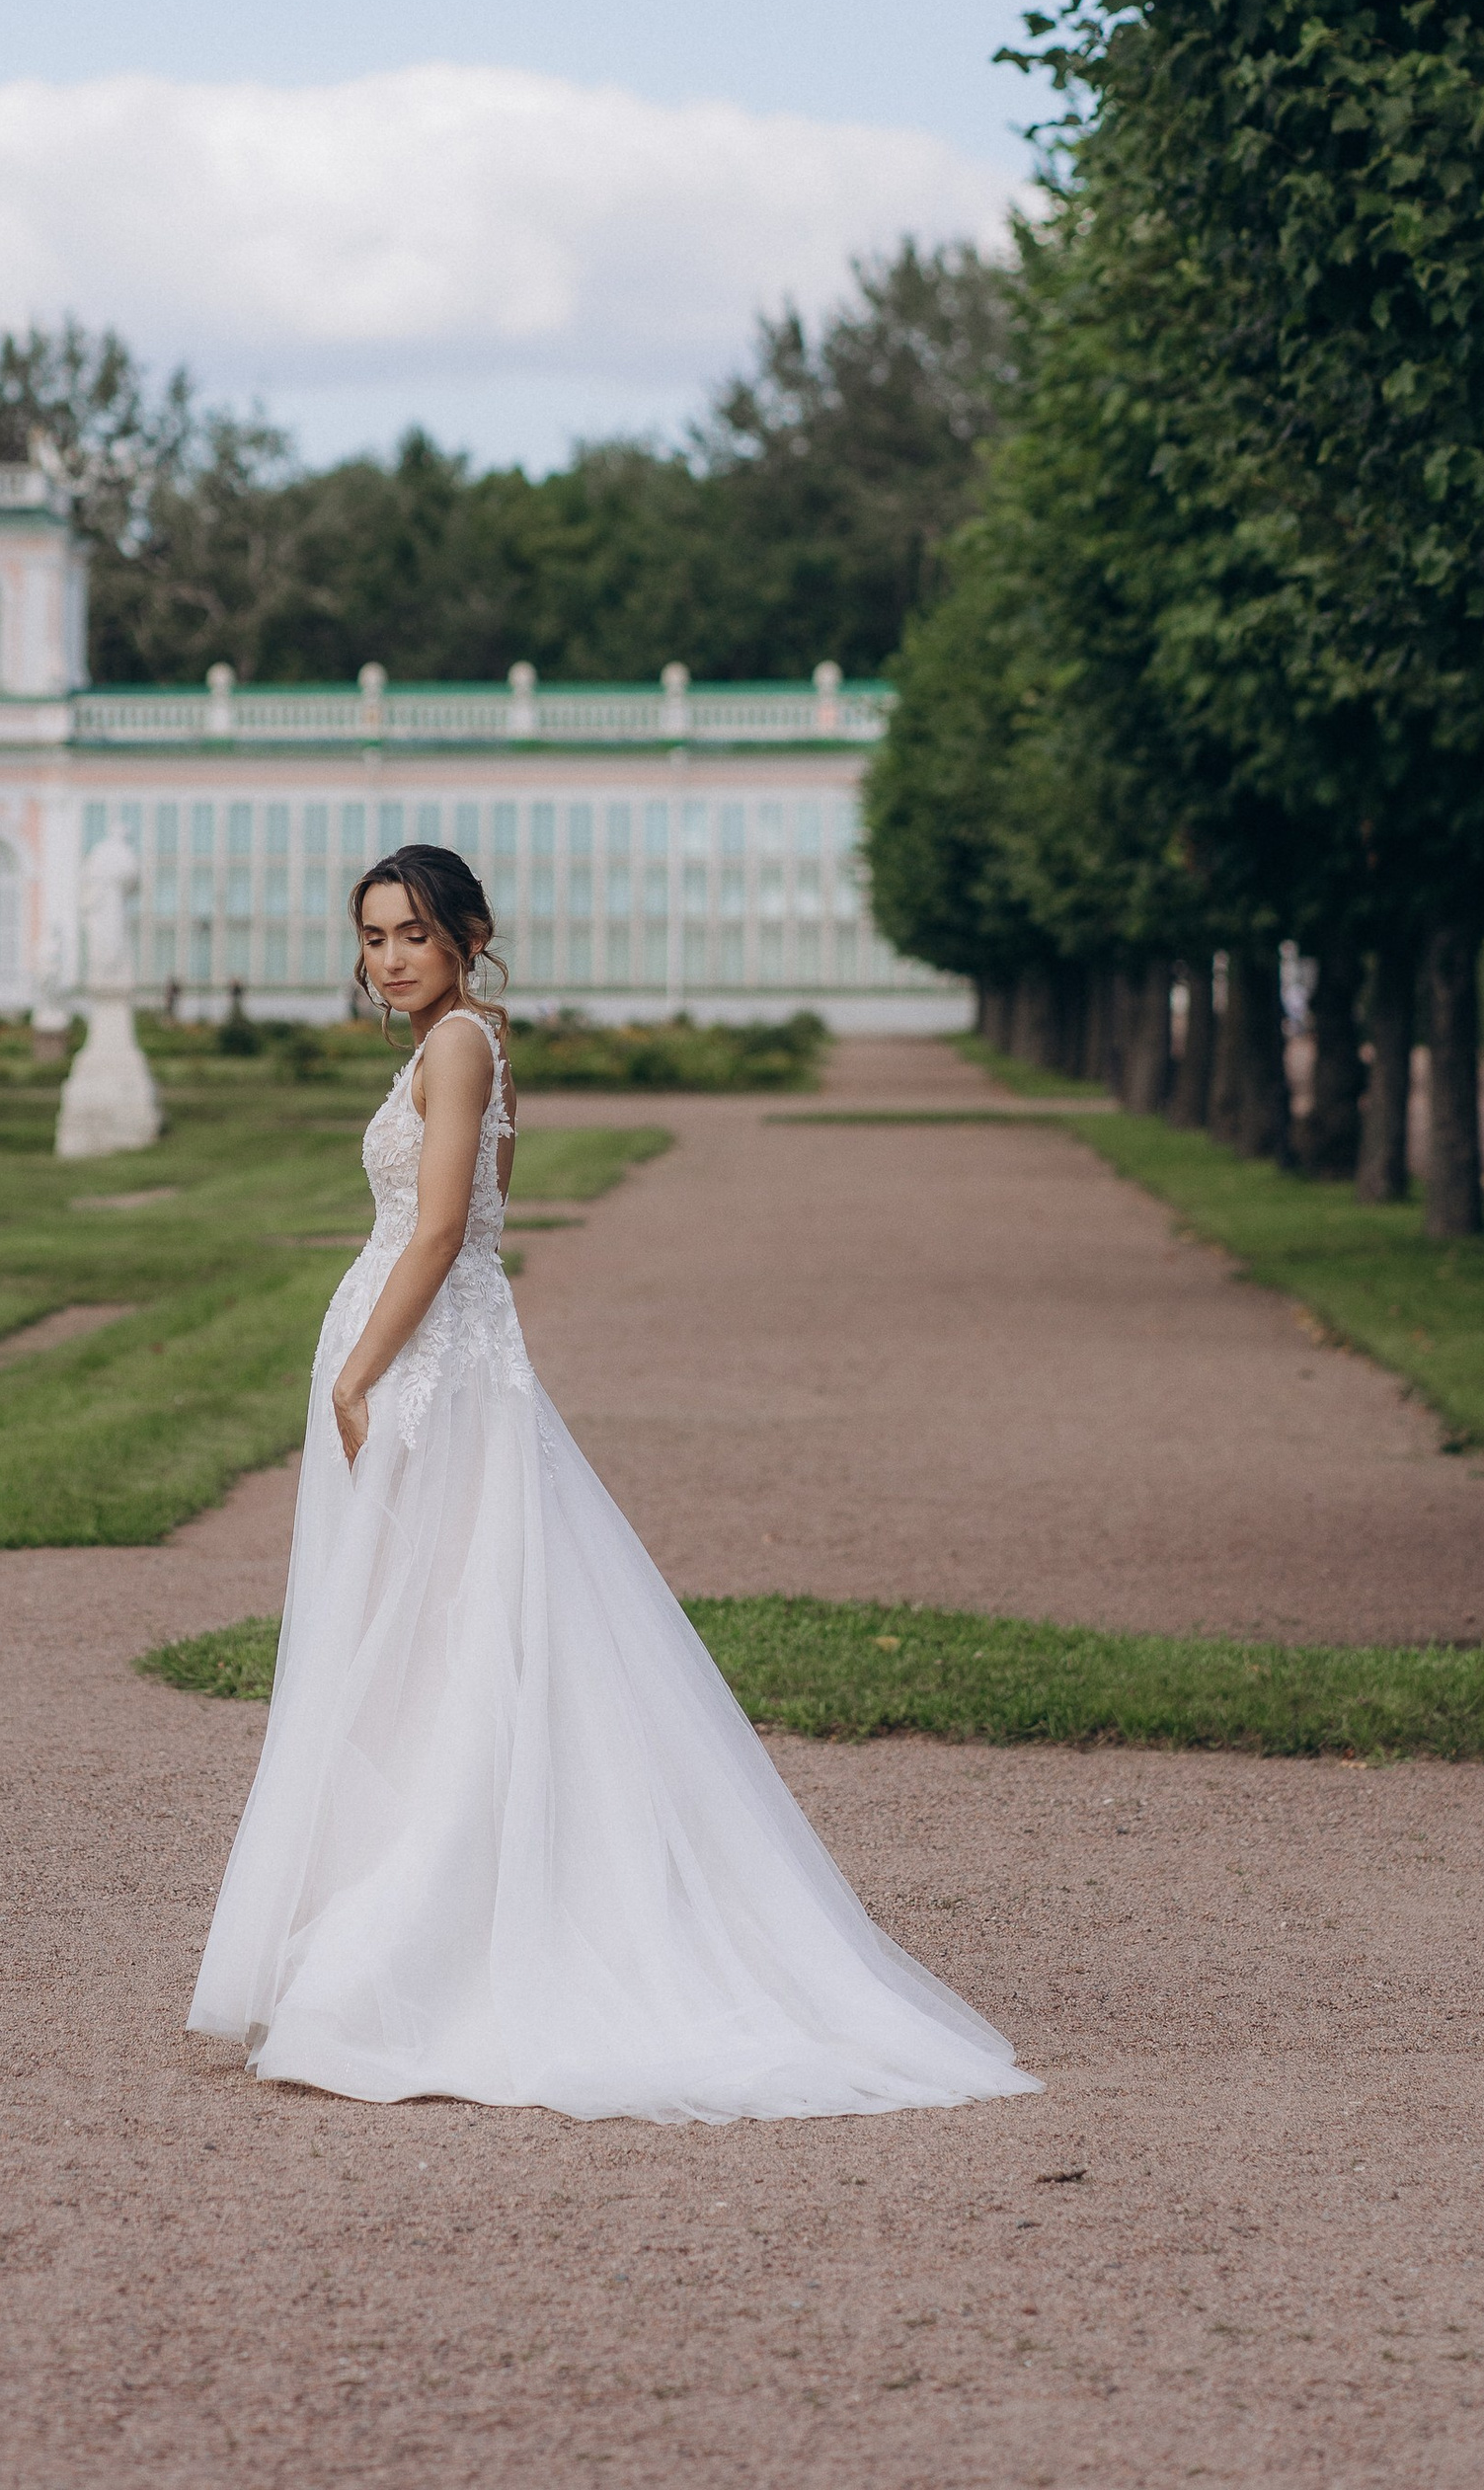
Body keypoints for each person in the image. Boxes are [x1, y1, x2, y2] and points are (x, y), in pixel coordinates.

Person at [189, 843, 1039, 2125]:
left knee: (438, 1642)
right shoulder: (474, 1041)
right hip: (447, 1360)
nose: (388, 960)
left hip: (428, 1371)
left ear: (468, 932)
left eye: (412, 932)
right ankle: (412, 1919)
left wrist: (364, 1374)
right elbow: (484, 1224)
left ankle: (425, 1936)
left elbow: (439, 1233)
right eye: (372, 937)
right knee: (430, 1641)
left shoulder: (461, 1045)